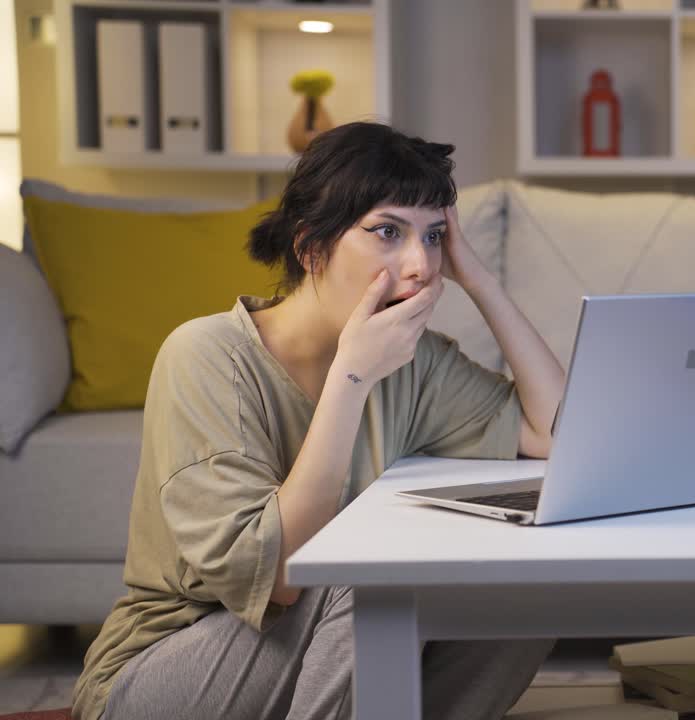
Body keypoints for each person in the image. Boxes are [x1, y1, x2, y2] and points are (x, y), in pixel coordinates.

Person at [71, 122, 564, 720]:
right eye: (387, 232)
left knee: (528, 578)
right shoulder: (206, 355)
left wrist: (480, 279)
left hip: (311, 664)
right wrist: (351, 378)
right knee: (371, 565)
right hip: (163, 672)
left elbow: (556, 435)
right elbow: (283, 574)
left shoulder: (417, 361)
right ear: (310, 248)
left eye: (433, 238)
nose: (420, 265)